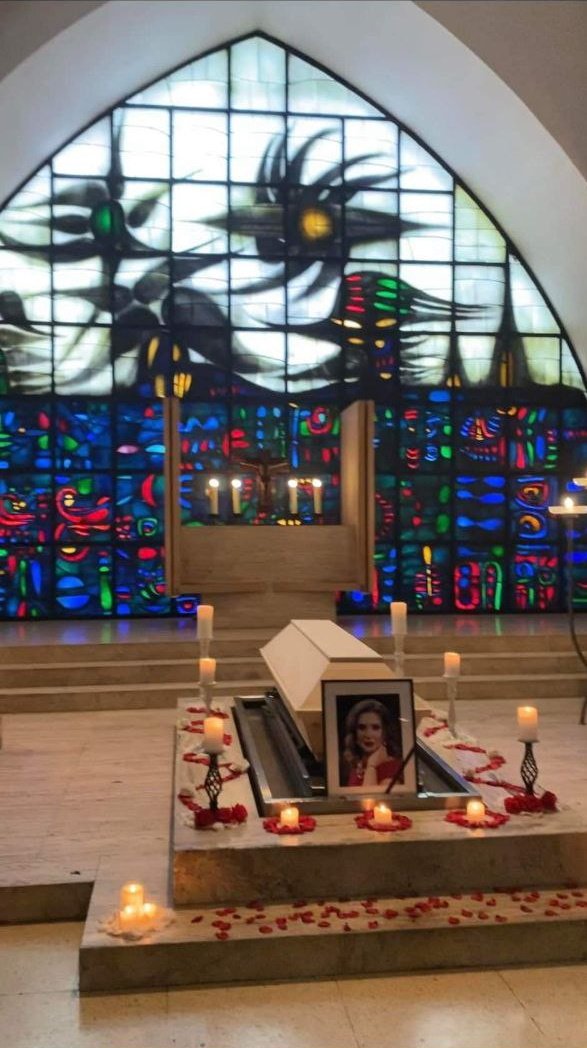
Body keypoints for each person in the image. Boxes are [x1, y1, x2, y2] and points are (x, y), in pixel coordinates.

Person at [341, 699, 402, 789]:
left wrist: (371, 766)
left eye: (375, 728)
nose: (368, 735)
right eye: (362, 728)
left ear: (385, 733)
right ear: (354, 733)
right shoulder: (358, 766)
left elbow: (369, 798)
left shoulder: (391, 769)